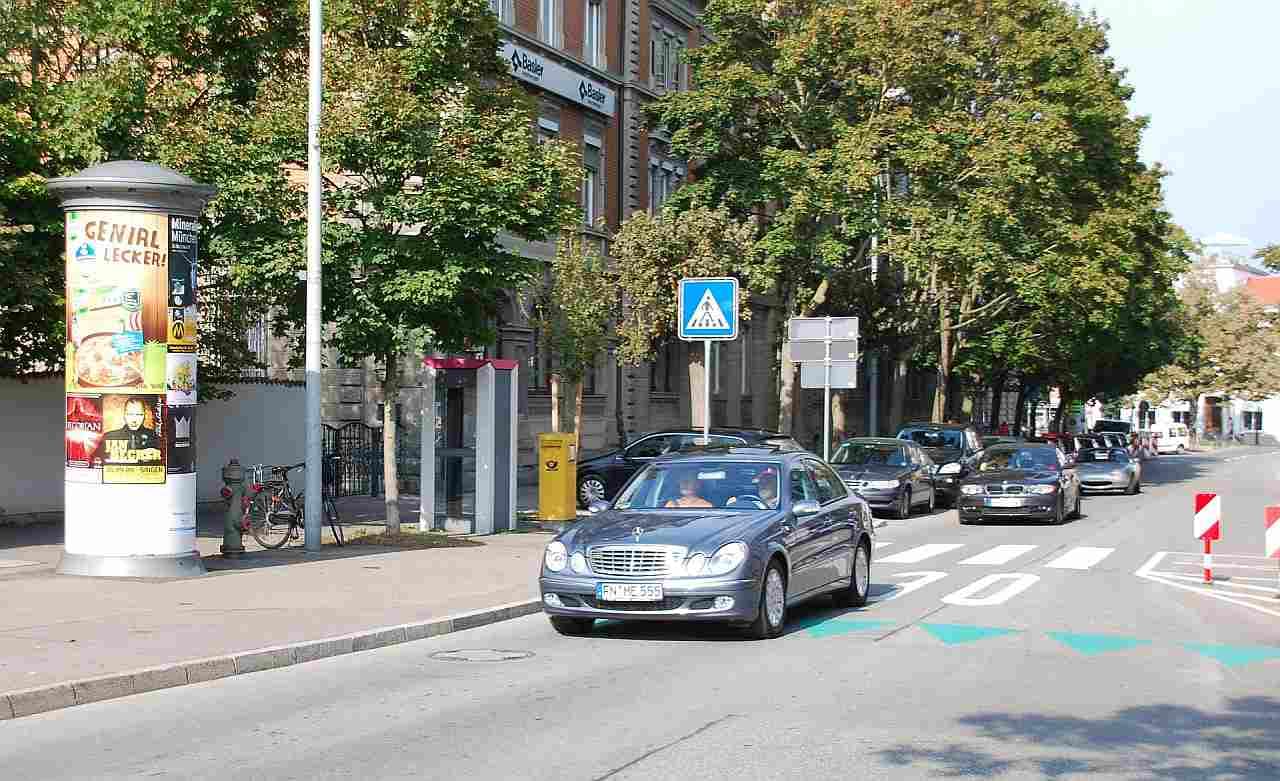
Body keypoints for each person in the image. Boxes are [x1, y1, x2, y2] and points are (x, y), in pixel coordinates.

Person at [96, 396, 161, 463]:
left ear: (144, 415)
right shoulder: (109, 437)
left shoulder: (154, 438)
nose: (134, 420)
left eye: (139, 414)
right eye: (130, 414)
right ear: (124, 415)